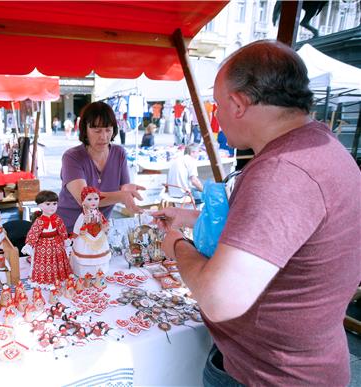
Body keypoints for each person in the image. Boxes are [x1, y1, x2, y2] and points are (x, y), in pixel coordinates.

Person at [153, 40, 360, 386]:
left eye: (217, 106)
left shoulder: (284, 170)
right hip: (297, 365)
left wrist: (176, 245)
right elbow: (274, 232)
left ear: (237, 104)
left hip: (270, 377)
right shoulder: (323, 149)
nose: (216, 117)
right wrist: (189, 218)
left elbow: (219, 298)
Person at [56, 101, 144, 231]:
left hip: (98, 230)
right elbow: (84, 199)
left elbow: (123, 187)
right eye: (97, 131)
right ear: (85, 129)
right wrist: (121, 196)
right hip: (67, 230)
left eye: (108, 130)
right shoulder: (72, 157)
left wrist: (127, 191)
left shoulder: (119, 153)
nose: (103, 136)